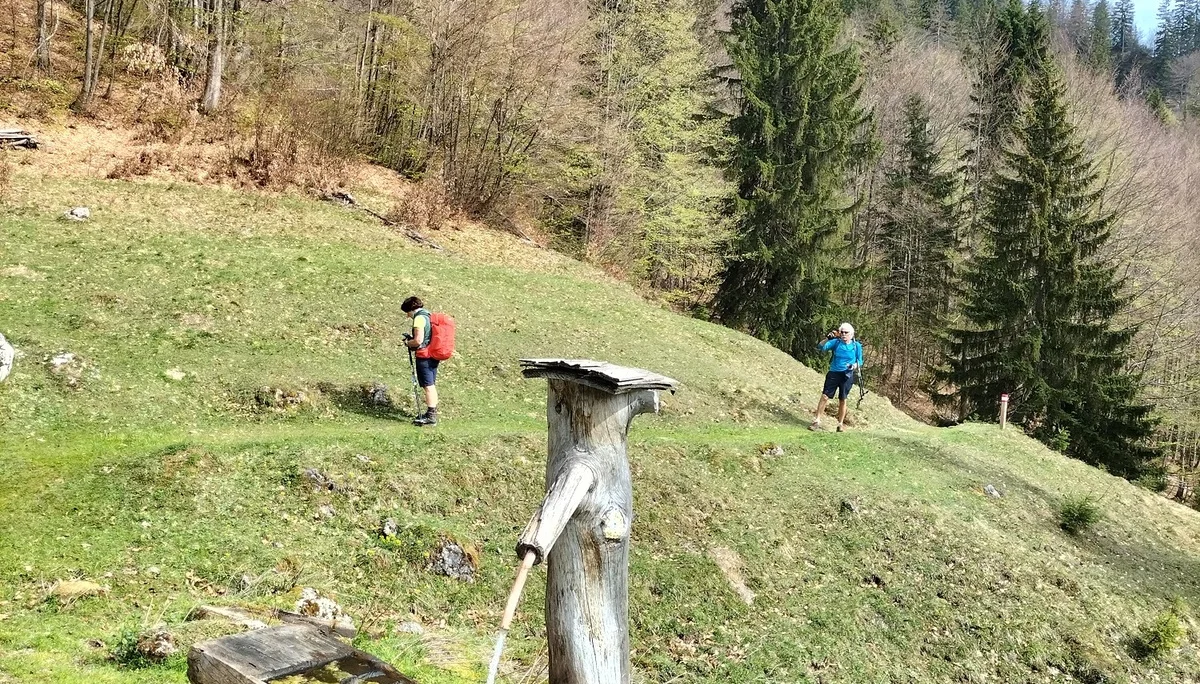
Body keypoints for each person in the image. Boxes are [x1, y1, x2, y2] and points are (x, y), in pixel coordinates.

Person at [810, 322, 863, 433]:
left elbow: (860, 361)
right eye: (842, 332)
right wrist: (827, 338)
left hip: (847, 375)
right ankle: (817, 421)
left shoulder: (856, 346)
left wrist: (853, 366)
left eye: (846, 332)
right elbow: (821, 347)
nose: (843, 334)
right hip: (834, 373)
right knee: (825, 396)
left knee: (842, 399)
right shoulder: (836, 343)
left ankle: (840, 424)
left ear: (851, 334)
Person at [402, 296, 439, 426]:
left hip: (424, 356)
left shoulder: (418, 318)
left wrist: (408, 342)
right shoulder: (428, 315)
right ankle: (431, 412)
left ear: (411, 309)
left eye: (407, 313)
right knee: (431, 384)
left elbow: (418, 340)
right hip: (433, 354)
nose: (408, 316)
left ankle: (431, 417)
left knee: (427, 385)